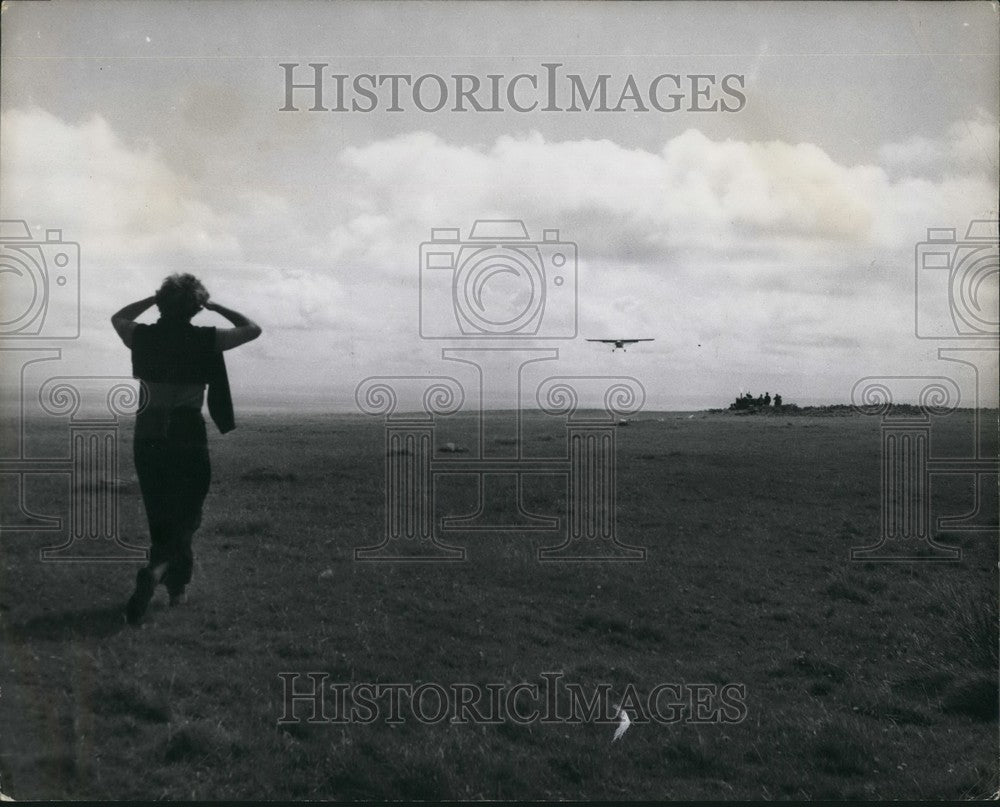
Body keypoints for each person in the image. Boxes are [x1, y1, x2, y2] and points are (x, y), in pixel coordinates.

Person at [111, 274, 261, 625]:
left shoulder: (142, 336)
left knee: (159, 511)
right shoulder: (207, 339)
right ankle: (164, 574)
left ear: (162, 303)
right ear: (195, 307)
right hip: (186, 430)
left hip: (148, 430)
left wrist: (152, 300)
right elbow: (252, 328)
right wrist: (214, 306)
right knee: (188, 512)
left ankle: (173, 586)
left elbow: (118, 317)